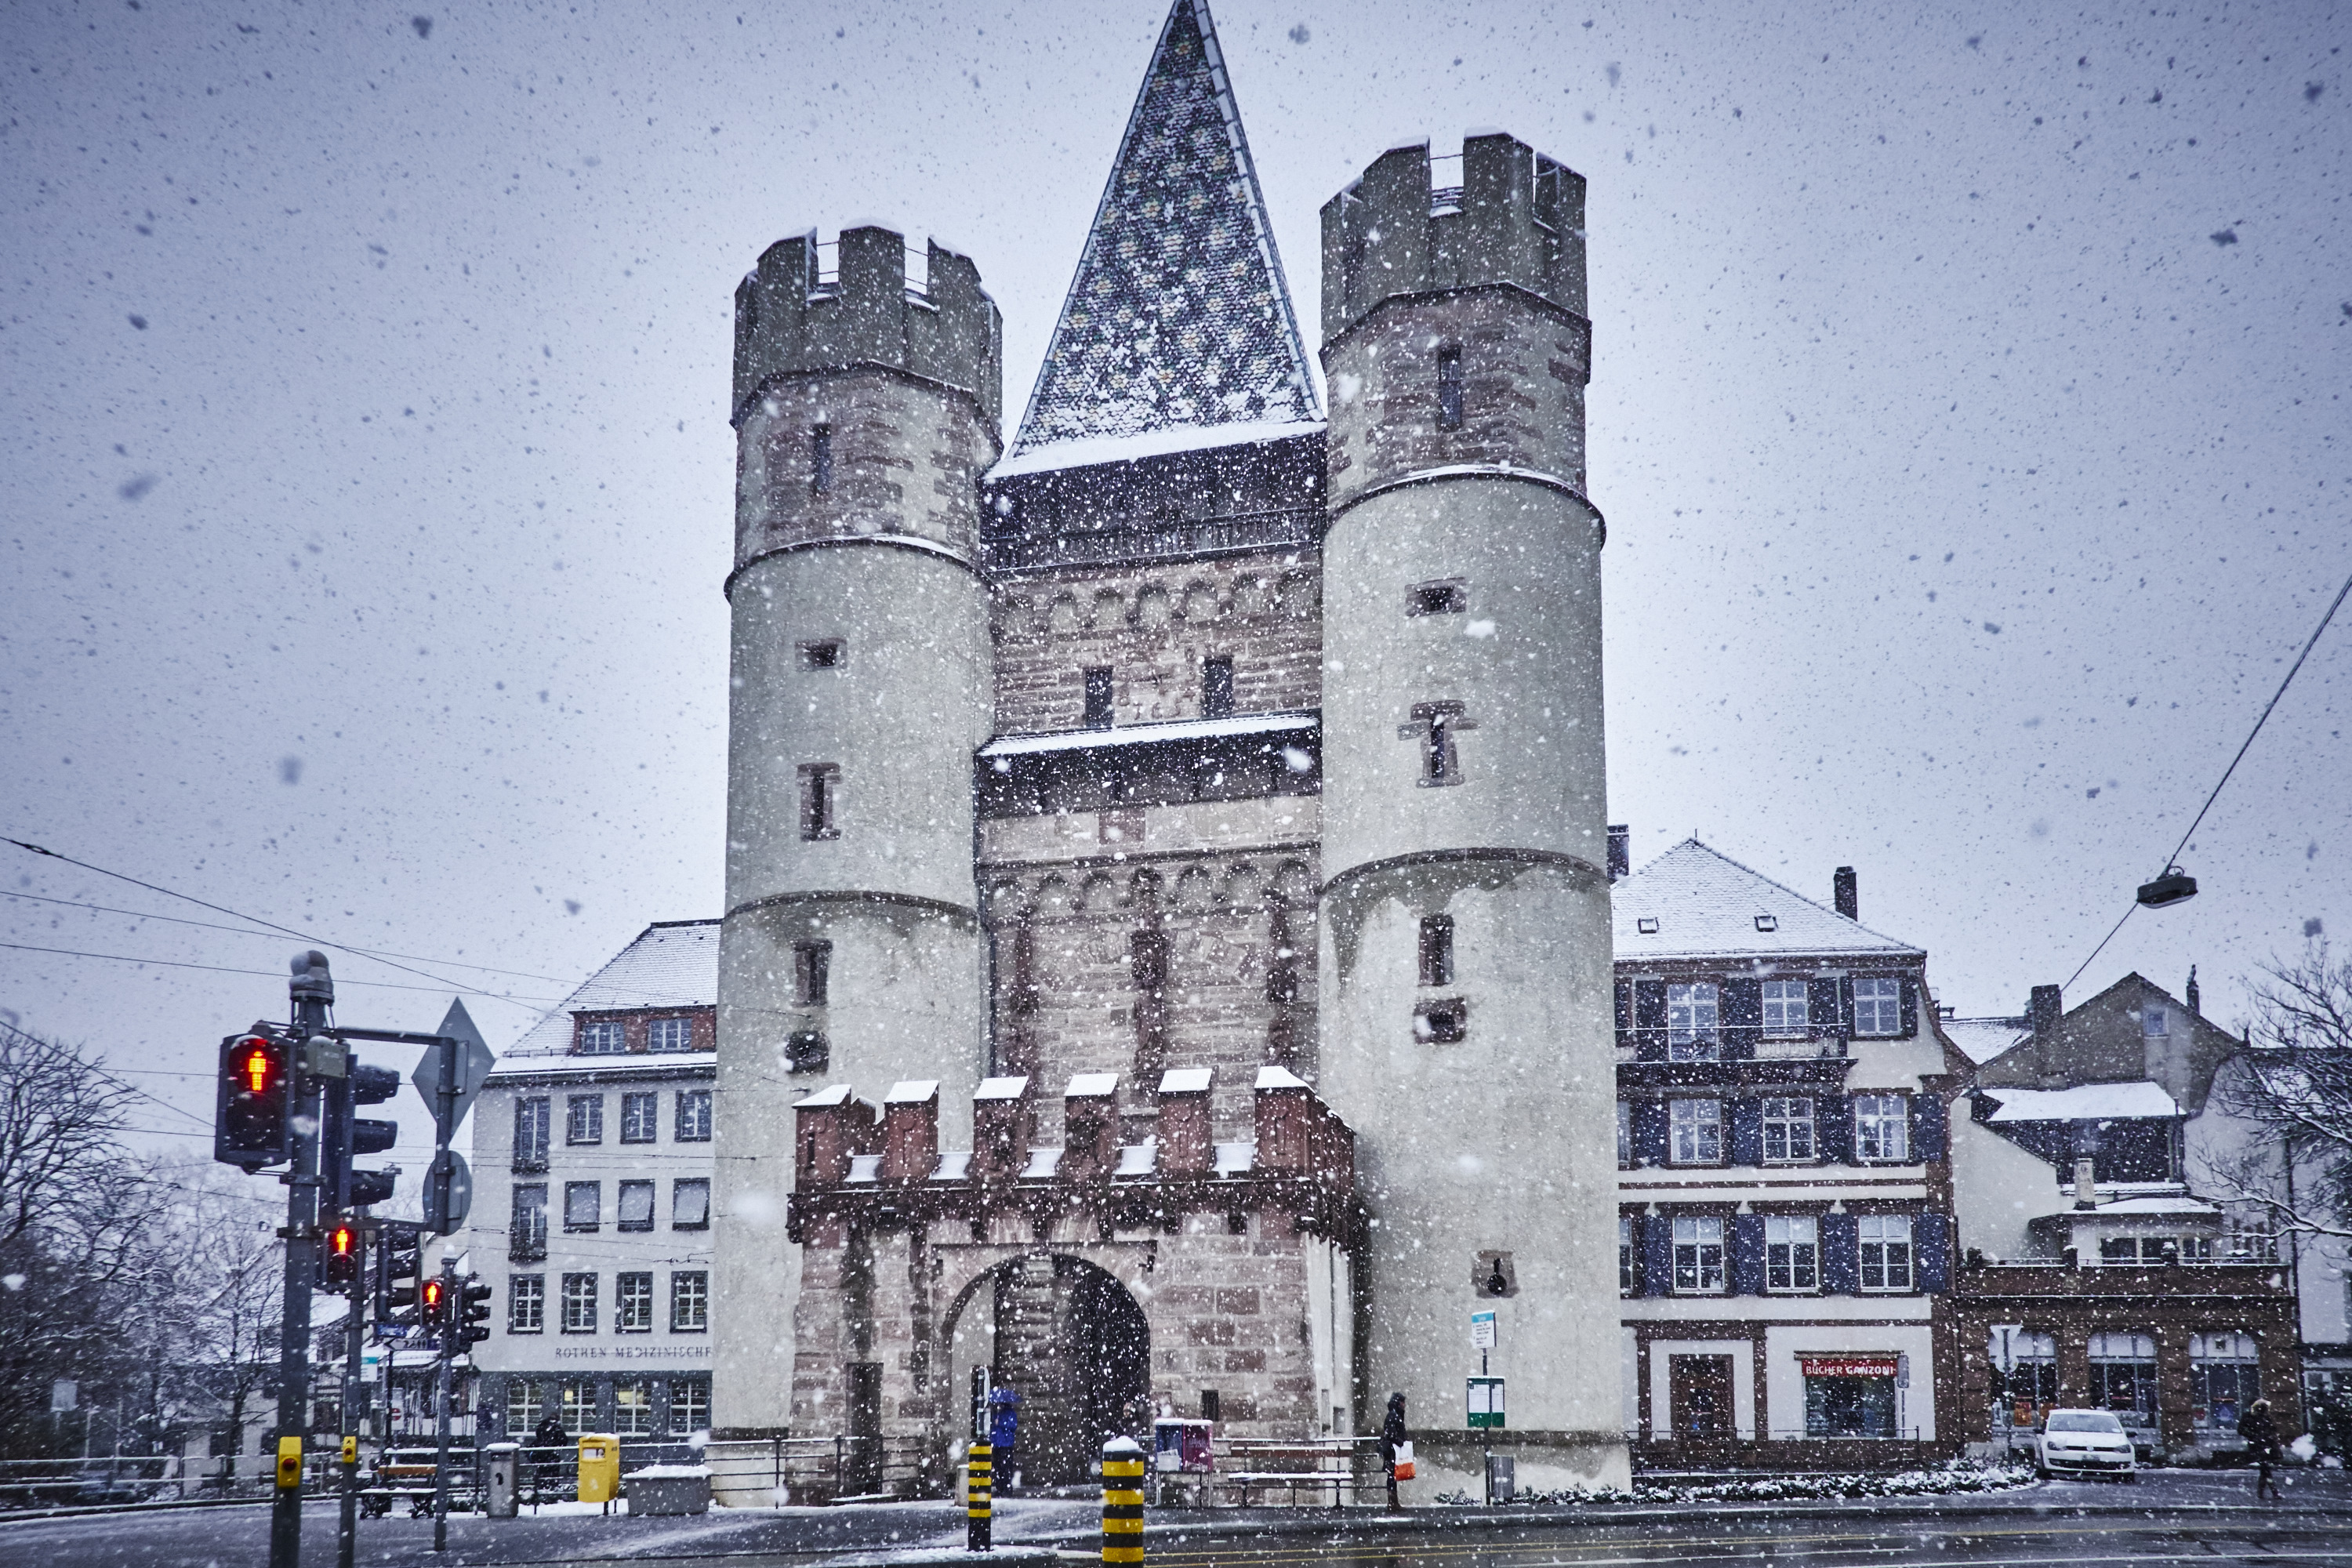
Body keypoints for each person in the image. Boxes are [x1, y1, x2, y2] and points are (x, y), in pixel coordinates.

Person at [2238, 1398, 2282, 1501]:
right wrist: (2254, 1435)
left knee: (2264, 1470)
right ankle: (2273, 1492)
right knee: (2265, 1468)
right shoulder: (2249, 1416)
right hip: (2257, 1445)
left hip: (2266, 1445)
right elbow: (2241, 1430)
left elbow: (2272, 1429)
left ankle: (2262, 1493)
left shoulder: (2265, 1416)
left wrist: (2271, 1438)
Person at [530, 1413, 568, 1505]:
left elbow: (539, 1436)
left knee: (542, 1474)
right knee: (552, 1475)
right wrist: (557, 1445)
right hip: (551, 1455)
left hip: (542, 1455)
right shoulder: (556, 1429)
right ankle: (550, 1493)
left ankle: (542, 1491)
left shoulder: (542, 1426)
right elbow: (564, 1440)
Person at [1380, 1392, 1408, 1509]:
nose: (1404, 1405)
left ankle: (1393, 1501)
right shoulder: (1393, 1416)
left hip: (1393, 1449)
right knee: (1392, 1475)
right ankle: (1392, 1502)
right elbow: (1392, 1434)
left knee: (1392, 1475)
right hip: (1392, 1450)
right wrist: (1401, 1442)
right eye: (1402, 1402)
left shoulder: (1395, 1415)